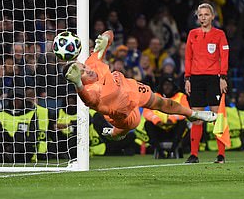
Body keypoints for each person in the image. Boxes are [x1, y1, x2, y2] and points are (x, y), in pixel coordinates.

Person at [63, 30, 216, 142]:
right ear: (79, 79)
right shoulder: (90, 90)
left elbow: (110, 34)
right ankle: (116, 134)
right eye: (81, 73)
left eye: (83, 67)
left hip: (130, 88)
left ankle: (193, 114)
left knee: (161, 102)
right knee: (122, 131)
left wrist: (105, 38)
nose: (86, 70)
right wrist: (78, 84)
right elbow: (88, 100)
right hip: (124, 112)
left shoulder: (92, 62)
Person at [184, 3, 229, 164]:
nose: (203, 17)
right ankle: (194, 154)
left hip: (213, 79)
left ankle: (221, 155)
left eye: (206, 14)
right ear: (197, 17)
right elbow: (188, 57)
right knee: (196, 117)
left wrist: (223, 77)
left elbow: (224, 56)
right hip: (196, 79)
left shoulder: (219, 34)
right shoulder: (192, 34)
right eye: (200, 15)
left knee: (217, 117)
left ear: (212, 16)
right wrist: (187, 79)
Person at [141, 77, 189, 159]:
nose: (167, 87)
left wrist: (172, 118)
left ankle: (173, 150)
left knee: (183, 123)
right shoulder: (155, 96)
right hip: (159, 128)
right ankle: (159, 151)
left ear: (173, 86)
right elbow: (146, 112)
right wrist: (156, 120)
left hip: (174, 130)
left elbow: (186, 112)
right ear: (161, 86)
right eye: (165, 85)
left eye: (169, 85)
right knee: (148, 124)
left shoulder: (181, 96)